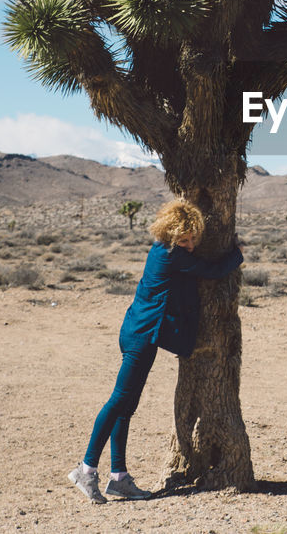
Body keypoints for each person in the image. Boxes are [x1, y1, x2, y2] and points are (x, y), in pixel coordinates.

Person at [67, 199, 244, 503]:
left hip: (138, 330)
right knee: (118, 401)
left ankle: (119, 478)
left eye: (192, 239)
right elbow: (212, 270)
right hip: (141, 335)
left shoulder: (162, 249)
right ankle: (86, 469)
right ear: (171, 233)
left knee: (127, 407)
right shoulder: (172, 255)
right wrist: (238, 254)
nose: (189, 244)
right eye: (184, 239)